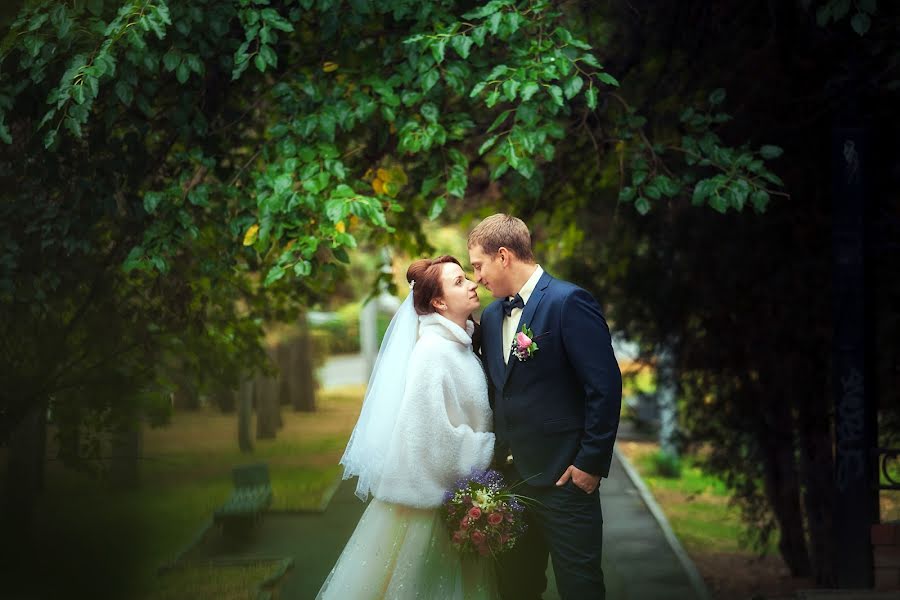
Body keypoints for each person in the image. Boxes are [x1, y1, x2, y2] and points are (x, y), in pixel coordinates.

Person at [317, 255, 499, 599]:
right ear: (439, 301)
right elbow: (431, 438)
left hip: (451, 501)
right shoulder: (433, 353)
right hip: (425, 514)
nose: (472, 284)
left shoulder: (458, 346)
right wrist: (492, 447)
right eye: (459, 281)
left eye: (467, 278)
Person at [468, 214, 622, 600]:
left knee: (580, 587)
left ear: (503, 256)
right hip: (510, 482)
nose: (477, 278)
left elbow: (604, 387)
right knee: (517, 589)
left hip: (565, 481)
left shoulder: (569, 302)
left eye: (478, 266)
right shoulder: (489, 317)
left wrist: (590, 463)